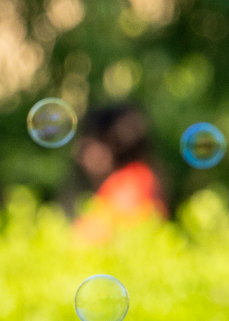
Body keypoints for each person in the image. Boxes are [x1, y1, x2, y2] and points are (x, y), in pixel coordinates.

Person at [68, 102, 169, 243]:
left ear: (111, 143)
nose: (79, 153)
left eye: (89, 143)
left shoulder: (131, 183)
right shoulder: (140, 176)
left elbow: (91, 238)